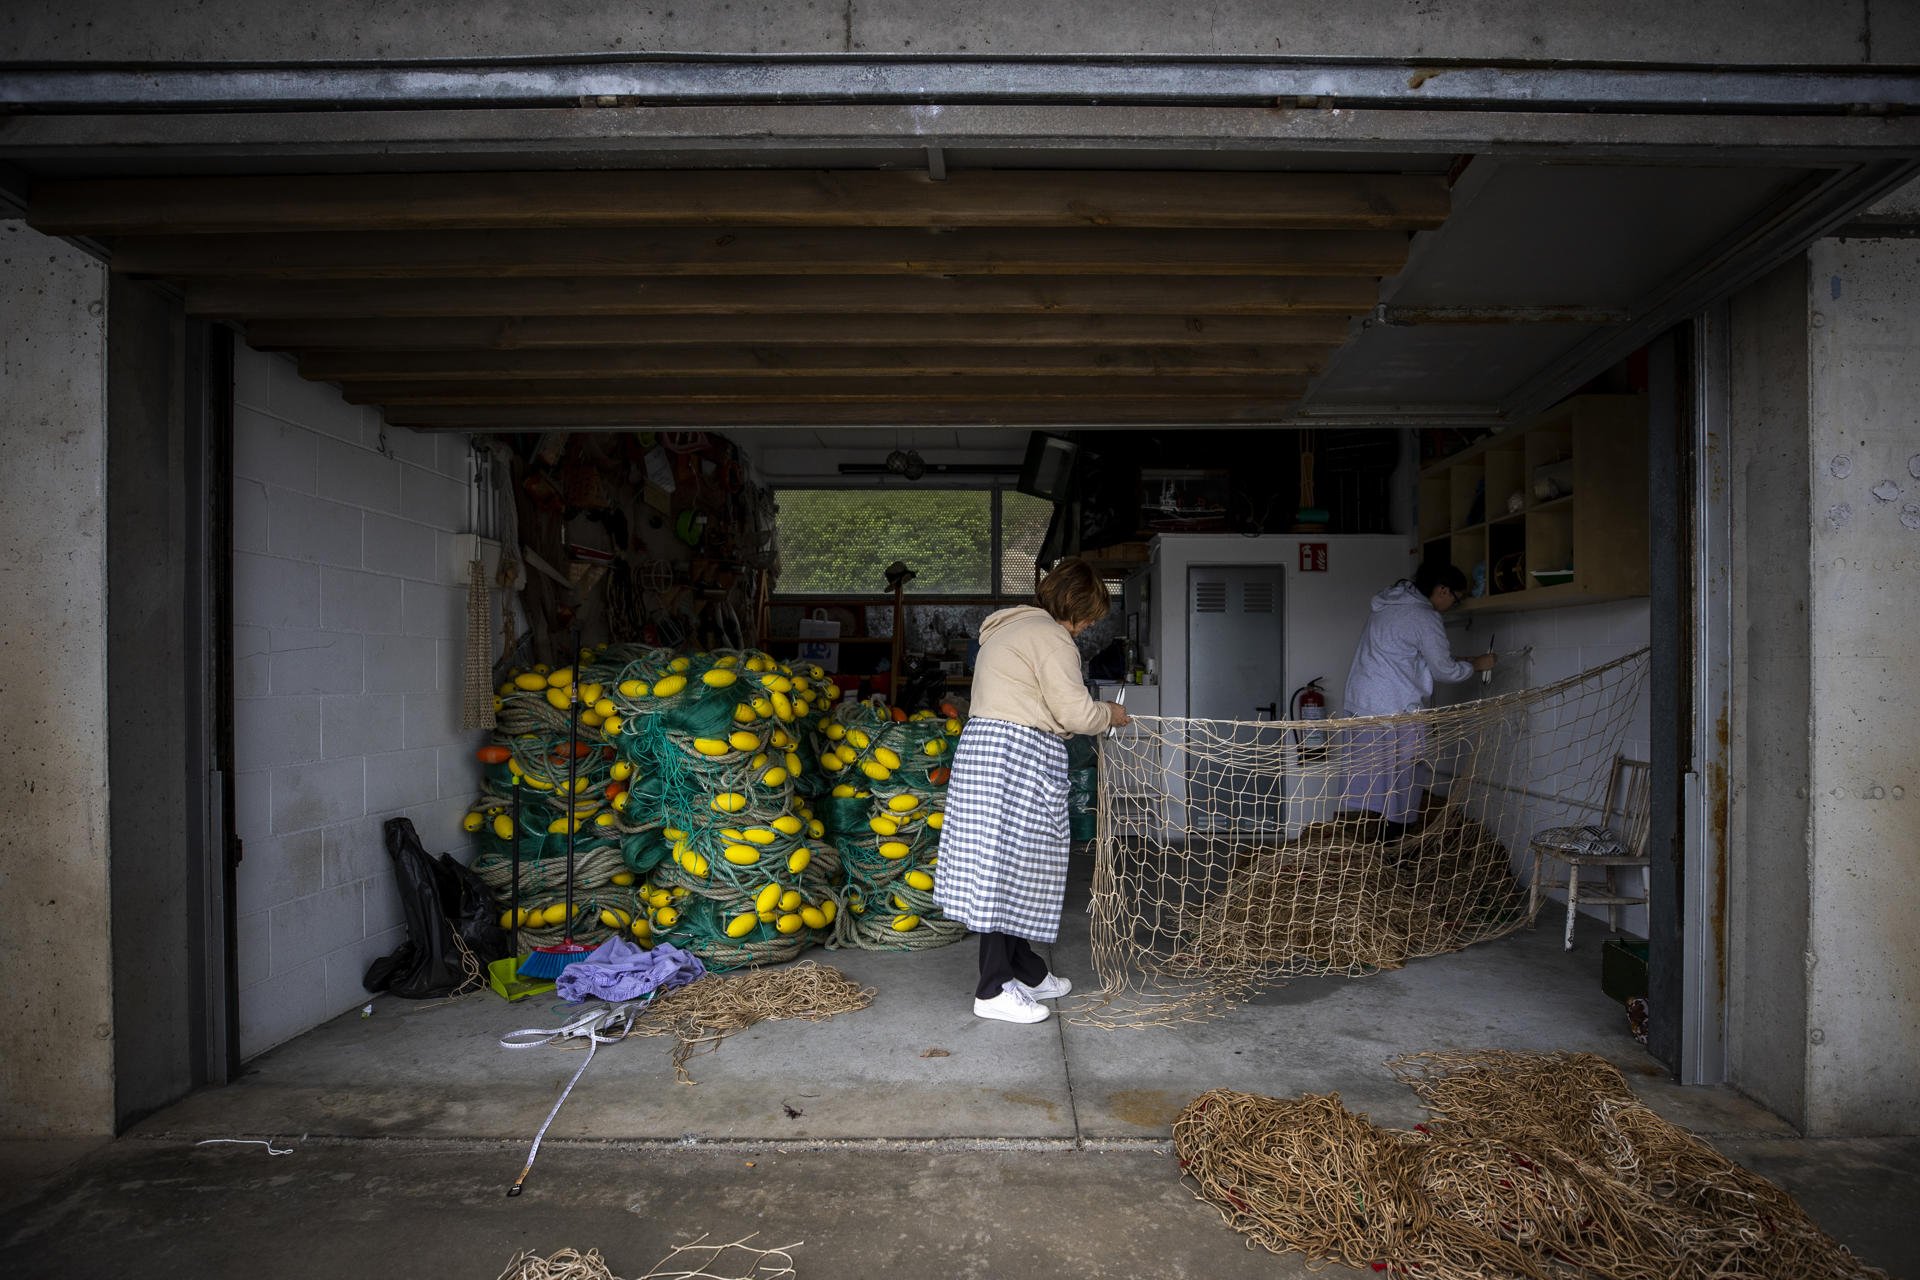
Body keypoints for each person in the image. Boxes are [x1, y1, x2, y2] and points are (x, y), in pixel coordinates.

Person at [932, 558, 1129, 1024]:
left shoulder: (1011, 628)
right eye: (1089, 618)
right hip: (1015, 756)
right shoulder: (1052, 639)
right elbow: (1076, 713)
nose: (1085, 629)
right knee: (1007, 867)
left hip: (989, 751)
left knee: (1013, 863)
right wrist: (1110, 715)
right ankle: (992, 988)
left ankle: (1027, 968)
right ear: (1077, 608)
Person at [1339, 563, 1497, 831]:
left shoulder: (1388, 603)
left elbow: (1407, 657)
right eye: (1456, 599)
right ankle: (1393, 852)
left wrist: (1463, 660)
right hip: (1394, 710)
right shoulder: (1424, 616)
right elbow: (1444, 670)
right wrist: (1478, 665)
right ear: (1443, 590)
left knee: (1368, 786)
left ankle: (1365, 848)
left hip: (1362, 705)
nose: (1453, 605)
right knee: (1401, 784)